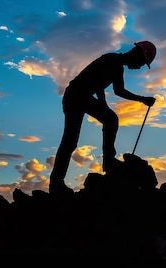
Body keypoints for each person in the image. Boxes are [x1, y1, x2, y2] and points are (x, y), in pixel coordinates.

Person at [49, 41, 157, 196]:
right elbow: (103, 86)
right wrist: (140, 99)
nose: (140, 66)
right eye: (142, 62)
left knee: (108, 120)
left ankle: (108, 162)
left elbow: (112, 89)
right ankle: (57, 183)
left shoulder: (116, 64)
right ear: (137, 54)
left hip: (80, 96)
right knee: (70, 140)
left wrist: (140, 100)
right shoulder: (112, 60)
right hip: (76, 96)